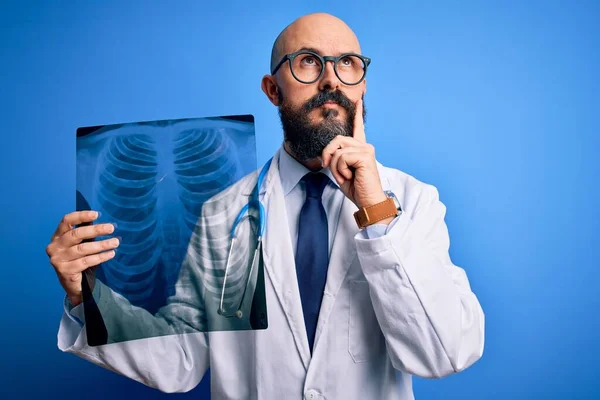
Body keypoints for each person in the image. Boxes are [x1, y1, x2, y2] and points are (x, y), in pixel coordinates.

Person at [47, 12, 485, 400]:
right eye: (309, 61)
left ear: (362, 85)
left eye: (347, 63)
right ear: (273, 90)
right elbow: (178, 361)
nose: (332, 79)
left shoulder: (411, 201)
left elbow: (443, 354)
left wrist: (376, 213)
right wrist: (85, 295)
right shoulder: (223, 213)